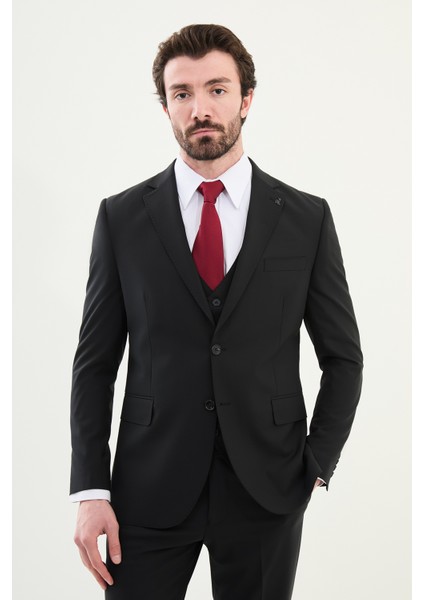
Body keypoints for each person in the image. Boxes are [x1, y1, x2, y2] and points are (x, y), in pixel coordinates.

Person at [70, 23, 363, 600]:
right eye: (182, 93)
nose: (200, 108)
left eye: (217, 89)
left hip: (268, 487)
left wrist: (316, 464)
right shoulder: (122, 219)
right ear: (166, 107)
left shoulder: (306, 219)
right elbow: (94, 364)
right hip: (146, 489)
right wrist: (91, 490)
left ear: (246, 99)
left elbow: (344, 358)